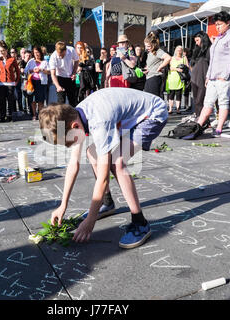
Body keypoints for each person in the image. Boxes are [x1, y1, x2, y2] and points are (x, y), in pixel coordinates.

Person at [39, 88, 168, 249]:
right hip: (128, 117)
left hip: (153, 114)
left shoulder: (99, 122)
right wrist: (63, 204)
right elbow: (73, 164)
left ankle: (140, 223)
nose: (69, 146)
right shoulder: (73, 115)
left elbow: (103, 178)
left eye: (68, 142)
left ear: (74, 126)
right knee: (92, 152)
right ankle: (107, 203)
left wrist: (90, 220)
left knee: (117, 163)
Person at [196, 11, 230, 137]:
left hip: (226, 77)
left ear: (228, 23)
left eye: (220, 24)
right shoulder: (218, 38)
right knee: (208, 102)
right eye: (216, 24)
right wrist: (208, 76)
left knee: (223, 102)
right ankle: (198, 125)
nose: (217, 27)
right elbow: (213, 59)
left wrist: (225, 76)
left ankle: (219, 128)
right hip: (213, 76)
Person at [0, 43, 21, 122]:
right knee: (2, 101)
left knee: (10, 100)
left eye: (3, 50)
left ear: (6, 50)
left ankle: (10, 116)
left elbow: (17, 71)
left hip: (10, 83)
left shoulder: (12, 59)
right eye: (0, 51)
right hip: (0, 83)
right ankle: (2, 115)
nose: (2, 52)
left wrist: (16, 81)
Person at [49, 41, 79, 107]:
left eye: (62, 55)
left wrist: (74, 73)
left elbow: (76, 61)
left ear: (65, 50)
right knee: (61, 101)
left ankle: (73, 116)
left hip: (70, 77)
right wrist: (58, 86)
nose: (60, 56)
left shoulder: (71, 50)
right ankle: (61, 116)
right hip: (60, 78)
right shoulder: (53, 57)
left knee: (72, 100)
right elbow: (53, 74)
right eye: (59, 55)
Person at [24, 46, 49, 120]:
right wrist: (32, 70)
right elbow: (26, 71)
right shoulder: (31, 61)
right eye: (34, 53)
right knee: (33, 100)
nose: (36, 54)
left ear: (40, 53)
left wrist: (41, 70)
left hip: (41, 82)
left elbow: (49, 72)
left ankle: (40, 115)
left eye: (37, 52)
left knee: (41, 100)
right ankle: (34, 114)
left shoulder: (45, 61)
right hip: (32, 82)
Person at [190, 31, 212, 118]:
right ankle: (200, 118)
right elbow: (192, 63)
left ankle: (204, 120)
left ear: (203, 39)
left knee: (200, 100)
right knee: (196, 100)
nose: (196, 43)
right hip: (195, 78)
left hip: (204, 78)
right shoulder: (197, 50)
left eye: (197, 40)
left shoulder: (210, 49)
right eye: (195, 41)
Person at [166, 45, 188, 114]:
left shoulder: (184, 58)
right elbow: (169, 68)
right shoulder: (171, 58)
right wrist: (177, 69)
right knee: (171, 94)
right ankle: (170, 109)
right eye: (178, 49)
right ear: (175, 50)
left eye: (180, 49)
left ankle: (178, 109)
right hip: (172, 78)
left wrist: (184, 69)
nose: (179, 51)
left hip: (180, 78)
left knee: (179, 94)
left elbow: (187, 67)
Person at [20, 49, 33, 116]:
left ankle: (30, 109)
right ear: (24, 55)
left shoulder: (31, 62)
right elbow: (22, 70)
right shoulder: (22, 62)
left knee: (30, 96)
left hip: (30, 81)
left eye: (29, 56)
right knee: (24, 96)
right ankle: (24, 109)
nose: (28, 57)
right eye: (27, 55)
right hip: (24, 81)